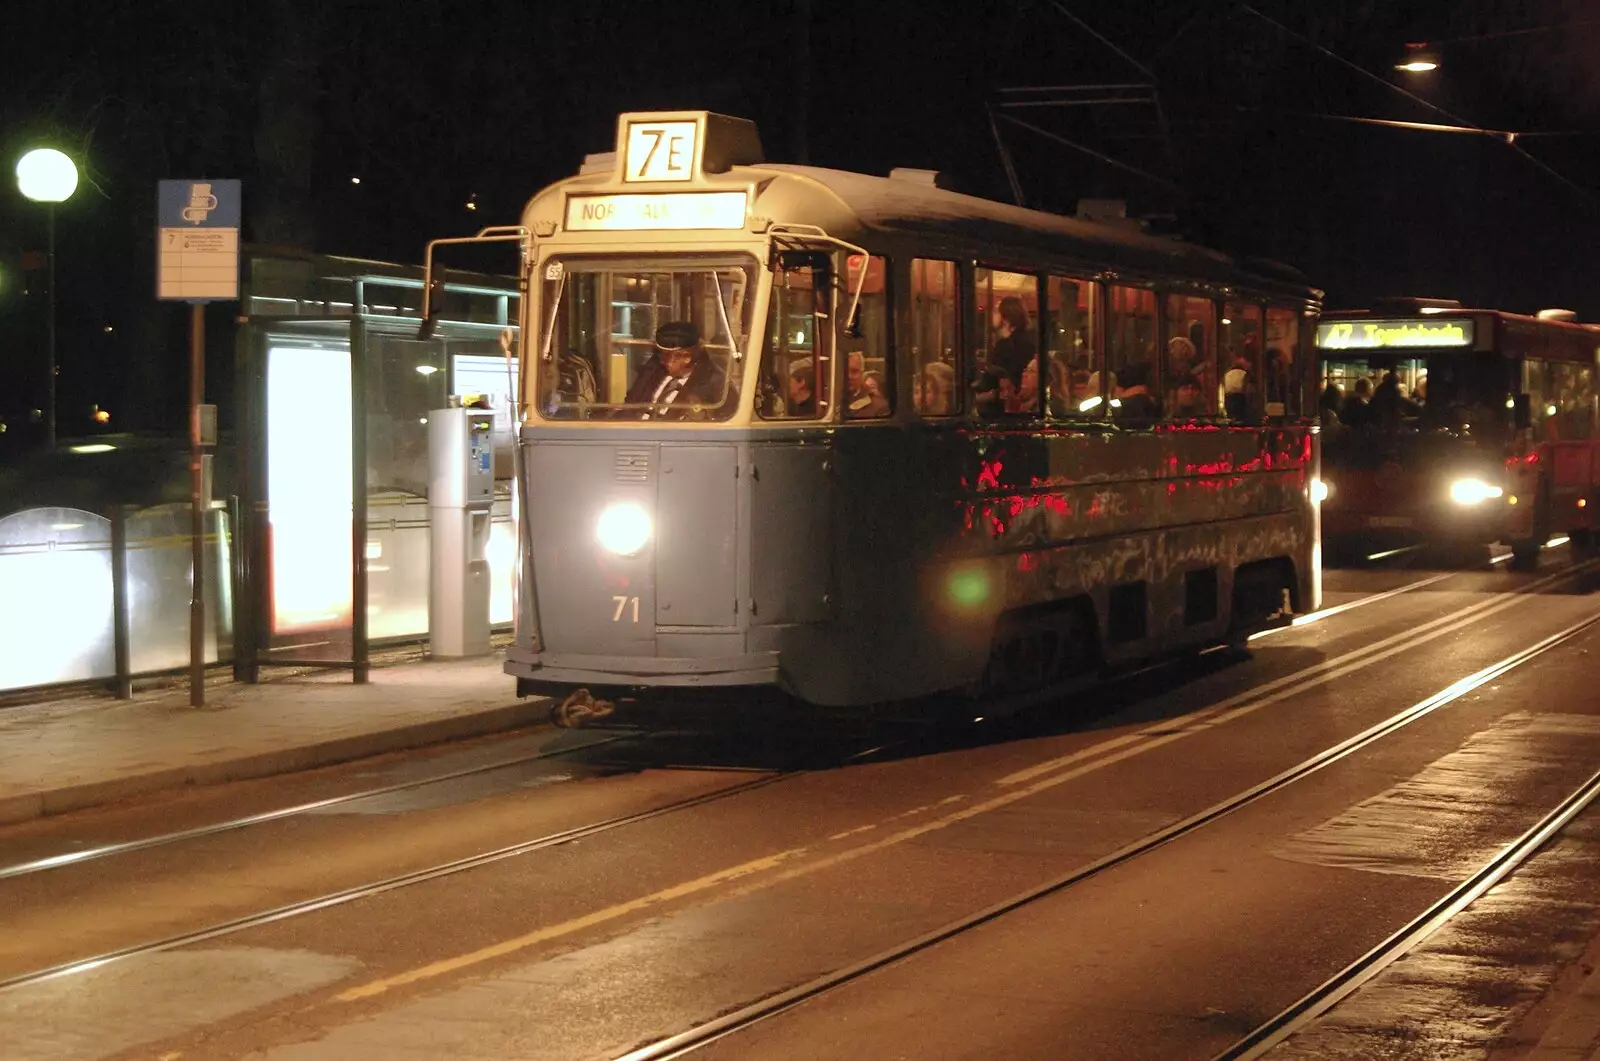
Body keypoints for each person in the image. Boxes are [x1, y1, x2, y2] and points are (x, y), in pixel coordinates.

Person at [623, 321, 727, 419]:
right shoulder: (654, 367)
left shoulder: (717, 385)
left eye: (667, 355)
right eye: (659, 354)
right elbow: (630, 402)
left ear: (687, 357)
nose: (661, 361)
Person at [988, 296, 1036, 385]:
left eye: (995, 312)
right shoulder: (1026, 340)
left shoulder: (1009, 346)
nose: (991, 315)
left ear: (1006, 317)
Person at [845, 350, 889, 417]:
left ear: (862, 374)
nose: (849, 376)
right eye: (844, 371)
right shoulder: (827, 405)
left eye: (854, 371)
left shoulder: (879, 407)